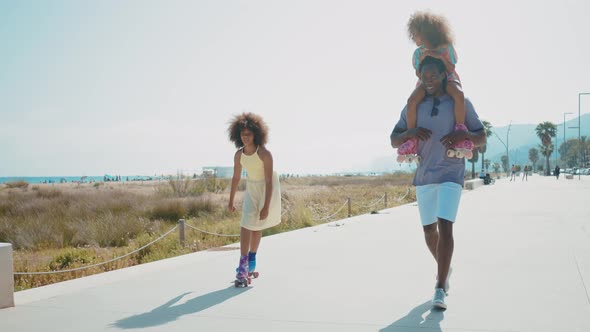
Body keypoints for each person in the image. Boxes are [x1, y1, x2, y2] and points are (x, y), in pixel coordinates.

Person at [390, 56, 486, 309]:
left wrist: (464, 134)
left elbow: (481, 136)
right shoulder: (414, 105)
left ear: (444, 74)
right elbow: (393, 139)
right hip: (425, 176)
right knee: (428, 231)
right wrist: (410, 133)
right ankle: (445, 267)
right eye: (424, 76)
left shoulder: (461, 103)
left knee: (446, 226)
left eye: (433, 75)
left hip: (451, 173)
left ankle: (440, 287)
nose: (429, 80)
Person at [397, 11, 472, 163]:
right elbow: (418, 74)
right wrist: (424, 60)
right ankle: (412, 139)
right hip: (426, 83)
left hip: (448, 79)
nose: (414, 38)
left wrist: (439, 58)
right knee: (411, 101)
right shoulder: (418, 53)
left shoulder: (446, 48)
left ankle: (460, 129)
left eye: (416, 34)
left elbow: (451, 69)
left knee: (458, 95)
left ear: (427, 33)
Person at [227, 113, 282, 287]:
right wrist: (231, 200)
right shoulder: (239, 155)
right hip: (251, 189)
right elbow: (236, 178)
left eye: (249, 134)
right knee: (245, 224)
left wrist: (266, 206)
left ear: (256, 135)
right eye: (242, 134)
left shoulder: (265, 154)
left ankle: (251, 261)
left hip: (266, 189)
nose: (245, 137)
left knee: (257, 226)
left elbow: (268, 181)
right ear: (238, 135)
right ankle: (243, 266)